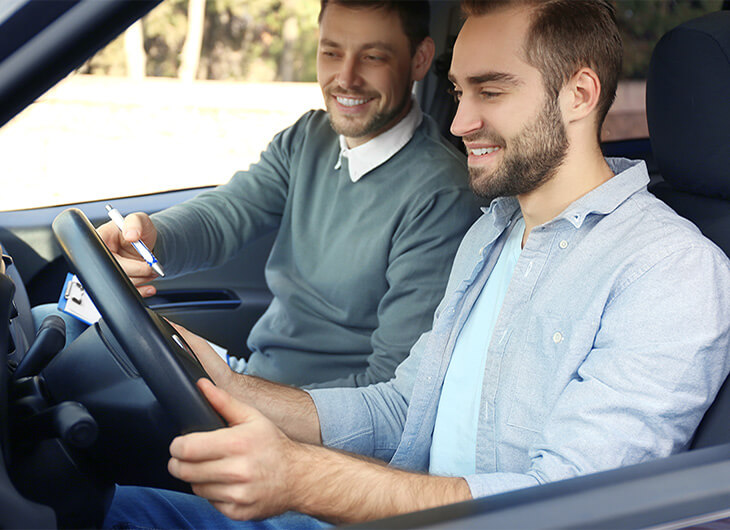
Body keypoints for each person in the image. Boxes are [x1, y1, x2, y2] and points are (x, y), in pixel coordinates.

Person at [103, 0, 730, 528]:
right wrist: (230, 385)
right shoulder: (493, 233)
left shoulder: (669, 272)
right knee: (104, 507)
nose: (459, 122)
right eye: (459, 91)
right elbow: (405, 410)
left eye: (491, 90)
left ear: (579, 94)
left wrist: (303, 477)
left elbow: (568, 504)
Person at [97, 0, 480, 390]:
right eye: (331, 53)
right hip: (256, 382)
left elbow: (390, 388)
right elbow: (227, 214)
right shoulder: (308, 138)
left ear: (419, 59)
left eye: (373, 57)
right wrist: (152, 238)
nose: (346, 78)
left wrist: (243, 397)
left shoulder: (442, 196)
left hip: (308, 416)